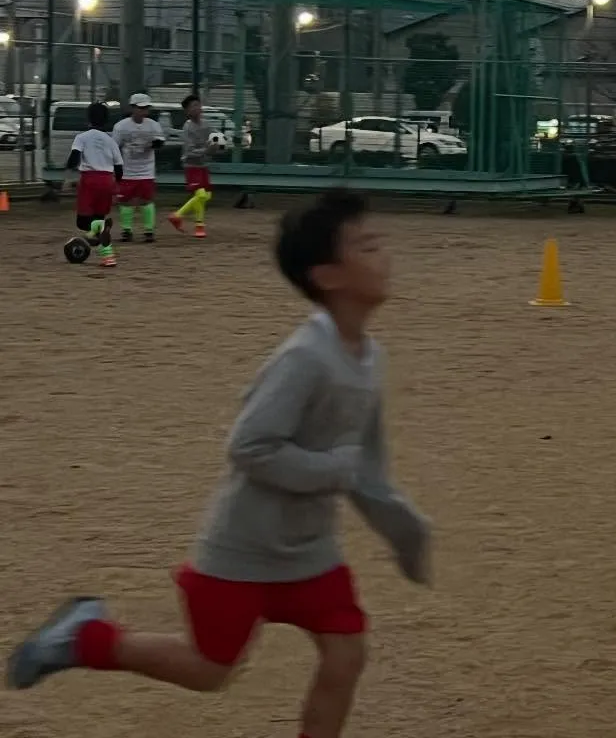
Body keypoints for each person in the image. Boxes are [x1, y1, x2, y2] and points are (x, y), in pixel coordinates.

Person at [5, 189, 433, 738]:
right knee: (210, 670)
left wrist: (406, 533)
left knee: (346, 656)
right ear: (327, 275)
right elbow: (250, 447)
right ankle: (86, 637)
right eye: (367, 245)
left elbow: (366, 469)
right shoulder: (305, 358)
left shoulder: (370, 359)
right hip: (241, 552)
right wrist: (329, 471)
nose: (385, 254)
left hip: (309, 554)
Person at [65, 100, 123, 268]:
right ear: (106, 120)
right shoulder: (110, 140)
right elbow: (119, 168)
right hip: (107, 180)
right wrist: (116, 189)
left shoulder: (82, 137)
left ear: (88, 119)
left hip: (90, 180)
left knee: (82, 222)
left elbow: (73, 159)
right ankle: (108, 257)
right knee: (98, 218)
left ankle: (98, 230)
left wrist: (68, 179)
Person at [110, 92, 166, 243]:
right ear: (132, 108)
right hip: (127, 170)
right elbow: (114, 147)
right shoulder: (121, 127)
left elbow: (160, 142)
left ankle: (149, 231)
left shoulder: (153, 125)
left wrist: (151, 144)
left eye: (146, 108)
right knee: (125, 200)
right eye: (140, 108)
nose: (143, 111)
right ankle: (126, 230)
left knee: (146, 200)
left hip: (146, 170)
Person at [168, 93, 213, 238]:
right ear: (187, 111)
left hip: (204, 164)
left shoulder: (207, 124)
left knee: (206, 195)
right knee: (200, 194)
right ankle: (178, 215)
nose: (197, 108)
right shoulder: (187, 127)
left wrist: (218, 145)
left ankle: (199, 227)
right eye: (192, 106)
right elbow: (189, 152)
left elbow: (215, 139)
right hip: (191, 165)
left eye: (198, 105)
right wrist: (206, 149)